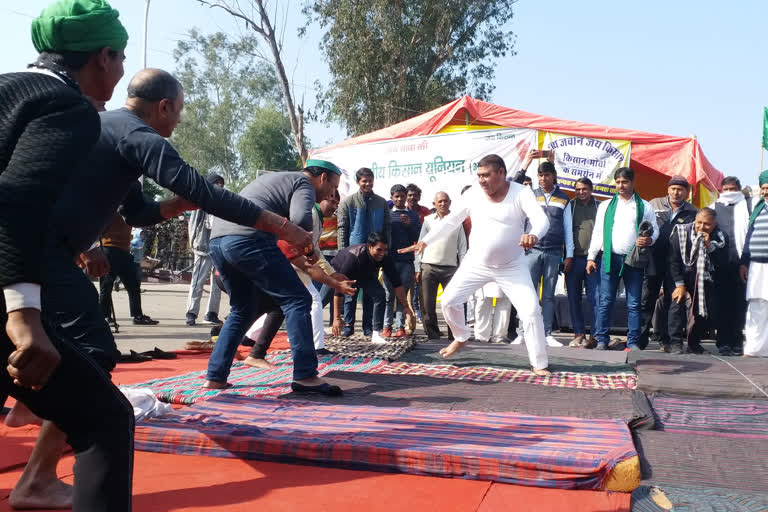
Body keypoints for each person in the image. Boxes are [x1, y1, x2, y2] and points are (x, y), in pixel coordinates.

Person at [0, 1, 135, 510]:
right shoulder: (66, 106)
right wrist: (25, 318)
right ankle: (37, 480)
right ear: (103, 57)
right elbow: (16, 201)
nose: (119, 77)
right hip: (8, 273)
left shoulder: (7, 88)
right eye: (119, 62)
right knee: (105, 420)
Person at [399, 154, 552, 375]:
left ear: (501, 173)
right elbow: (451, 221)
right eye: (479, 175)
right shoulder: (473, 194)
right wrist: (426, 241)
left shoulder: (521, 193)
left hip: (512, 266)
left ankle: (539, 363)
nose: (481, 180)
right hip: (476, 263)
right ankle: (461, 336)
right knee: (450, 301)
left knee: (530, 311)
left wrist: (534, 235)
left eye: (486, 175)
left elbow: (541, 221)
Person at [206, 162, 342, 394]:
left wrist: (307, 252)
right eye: (332, 187)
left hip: (218, 241)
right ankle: (306, 375)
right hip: (248, 239)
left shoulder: (275, 180)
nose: (330, 194)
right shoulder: (303, 183)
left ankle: (215, 376)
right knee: (298, 299)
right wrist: (309, 250)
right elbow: (301, 221)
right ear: (322, 178)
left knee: (243, 308)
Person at [242, 184, 356, 369]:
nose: (335, 205)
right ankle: (315, 348)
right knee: (312, 300)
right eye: (332, 200)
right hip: (288, 261)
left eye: (337, 202)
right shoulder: (309, 215)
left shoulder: (316, 217)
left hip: (292, 261)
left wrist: (331, 273)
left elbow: (313, 249)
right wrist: (334, 281)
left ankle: (249, 337)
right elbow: (302, 249)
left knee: (276, 305)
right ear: (322, 196)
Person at [587, 167, 659, 351]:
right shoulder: (605, 206)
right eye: (618, 182)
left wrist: (650, 239)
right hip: (609, 259)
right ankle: (602, 339)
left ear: (633, 183)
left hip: (633, 261)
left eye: (625, 182)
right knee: (606, 300)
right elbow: (598, 233)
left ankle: (633, 342)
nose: (621, 185)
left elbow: (655, 230)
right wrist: (591, 257)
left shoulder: (644, 206)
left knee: (634, 302)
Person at [638, 176, 698, 349]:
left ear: (686, 192)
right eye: (673, 188)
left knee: (674, 303)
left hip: (677, 264)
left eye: (680, 189)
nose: (676, 192)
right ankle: (639, 341)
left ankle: (672, 342)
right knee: (647, 300)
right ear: (668, 189)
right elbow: (642, 226)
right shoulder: (653, 204)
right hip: (653, 260)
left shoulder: (692, 211)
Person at [331, 233, 416, 342]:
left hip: (365, 275)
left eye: (385, 250)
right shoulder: (354, 257)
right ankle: (313, 327)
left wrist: (405, 306)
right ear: (370, 246)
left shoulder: (385, 257)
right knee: (320, 299)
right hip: (337, 272)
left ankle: (376, 333)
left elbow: (397, 283)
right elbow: (338, 291)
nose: (382, 253)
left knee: (380, 294)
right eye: (379, 250)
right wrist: (337, 317)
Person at [521, 161, 570, 347]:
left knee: (548, 296)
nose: (543, 179)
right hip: (532, 250)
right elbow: (521, 222)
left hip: (554, 251)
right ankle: (523, 332)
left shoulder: (564, 198)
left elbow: (567, 229)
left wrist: (569, 255)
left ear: (554, 175)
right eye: (540, 175)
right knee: (528, 293)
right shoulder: (530, 196)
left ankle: (547, 333)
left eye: (547, 175)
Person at [337, 168, 391, 335]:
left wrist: (386, 249)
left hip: (373, 257)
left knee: (370, 293)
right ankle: (348, 326)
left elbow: (387, 227)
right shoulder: (348, 202)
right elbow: (342, 228)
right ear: (357, 182)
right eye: (364, 181)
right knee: (350, 293)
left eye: (370, 180)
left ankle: (368, 328)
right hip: (353, 256)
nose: (367, 183)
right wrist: (342, 252)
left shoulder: (381, 202)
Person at [668, 209, 728, 354]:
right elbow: (673, 261)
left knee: (703, 312)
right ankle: (675, 343)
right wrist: (679, 284)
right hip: (682, 277)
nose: (701, 227)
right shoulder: (681, 232)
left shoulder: (721, 236)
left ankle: (693, 344)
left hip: (706, 279)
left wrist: (709, 247)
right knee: (677, 306)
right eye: (699, 222)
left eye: (706, 224)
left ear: (714, 224)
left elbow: (723, 263)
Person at [415, 191, 467, 340]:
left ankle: (455, 335)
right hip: (429, 267)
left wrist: (462, 269)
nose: (443, 204)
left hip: (451, 268)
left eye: (446, 201)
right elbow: (420, 245)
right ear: (434, 204)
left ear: (450, 202)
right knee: (427, 304)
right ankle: (432, 335)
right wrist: (418, 267)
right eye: (440, 202)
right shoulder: (428, 220)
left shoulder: (457, 221)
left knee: (453, 304)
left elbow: (462, 247)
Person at [711, 176, 751, 355]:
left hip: (742, 264)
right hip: (720, 265)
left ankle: (737, 341)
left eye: (733, 189)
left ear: (739, 189)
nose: (729, 193)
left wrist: (745, 262)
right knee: (722, 304)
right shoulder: (714, 207)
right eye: (726, 189)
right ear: (721, 190)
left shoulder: (749, 206)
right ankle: (723, 342)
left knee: (740, 305)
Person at [99, 213, 158, 325]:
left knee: (134, 285)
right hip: (109, 249)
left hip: (125, 251)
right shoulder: (108, 208)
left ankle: (138, 315)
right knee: (106, 286)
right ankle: (105, 316)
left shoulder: (127, 210)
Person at [563, 177, 600, 348]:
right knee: (573, 298)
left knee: (595, 298)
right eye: (578, 189)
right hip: (574, 259)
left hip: (594, 260)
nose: (581, 192)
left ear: (591, 189)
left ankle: (595, 334)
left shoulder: (600, 206)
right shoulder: (570, 206)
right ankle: (578, 334)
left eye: (584, 189)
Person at [185, 172, 225, 326]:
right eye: (217, 184)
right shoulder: (200, 202)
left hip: (218, 247)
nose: (220, 187)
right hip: (202, 247)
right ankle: (191, 312)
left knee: (217, 282)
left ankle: (211, 313)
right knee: (197, 281)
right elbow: (193, 225)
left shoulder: (222, 202)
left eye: (221, 184)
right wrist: (193, 243)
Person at [382, 185, 421, 337]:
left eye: (402, 196)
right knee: (388, 295)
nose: (399, 199)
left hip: (406, 261)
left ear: (406, 198)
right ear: (391, 197)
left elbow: (418, 237)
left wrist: (409, 225)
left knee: (402, 295)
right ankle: (386, 326)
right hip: (389, 261)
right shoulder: (387, 215)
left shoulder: (413, 215)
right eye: (396, 196)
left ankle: (400, 327)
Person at [740, 171, 768, 357]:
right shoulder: (755, 208)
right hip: (756, 265)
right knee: (756, 306)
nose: (766, 191)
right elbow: (748, 237)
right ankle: (753, 349)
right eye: (764, 188)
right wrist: (744, 263)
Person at [406, 183, 431, 325]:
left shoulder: (426, 212)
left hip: (422, 252)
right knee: (407, 285)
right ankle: (410, 313)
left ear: (419, 196)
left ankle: (420, 312)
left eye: (415, 195)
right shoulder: (401, 211)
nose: (412, 198)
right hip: (406, 252)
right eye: (410, 195)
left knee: (419, 283)